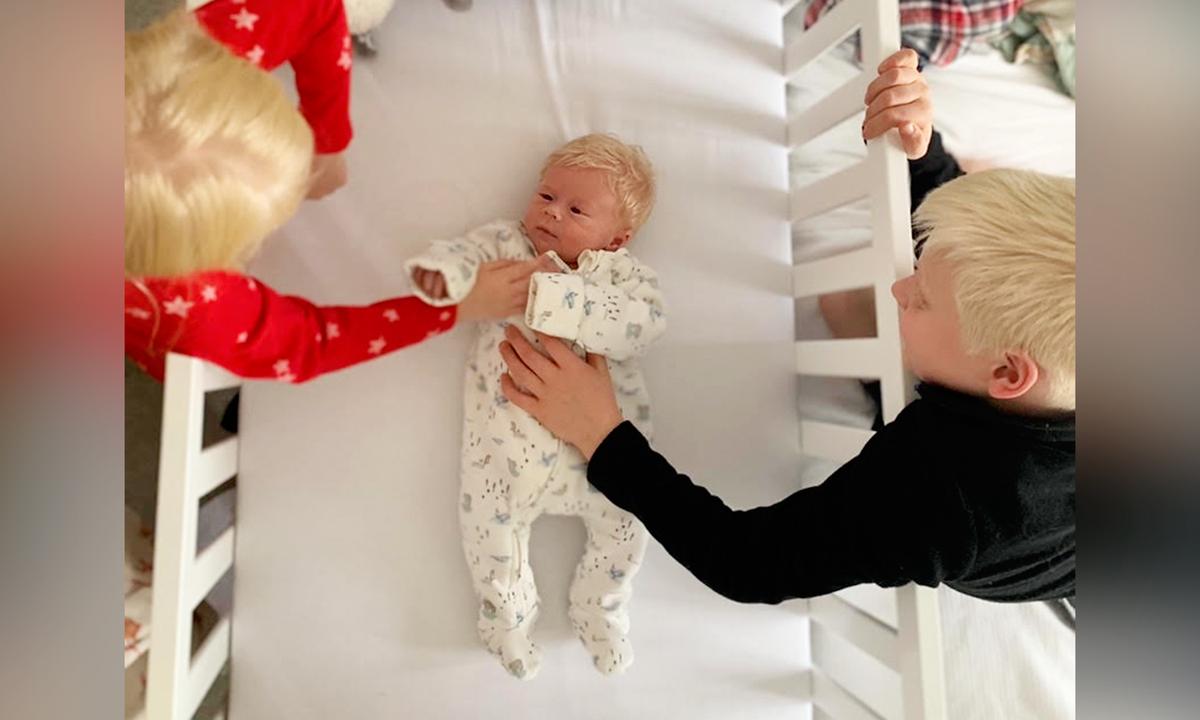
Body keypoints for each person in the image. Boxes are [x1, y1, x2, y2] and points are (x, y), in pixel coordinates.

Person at [495, 50, 1075, 606]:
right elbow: (956, 240)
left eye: (919, 297)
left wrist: (601, 433)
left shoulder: (955, 502)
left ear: (1004, 372)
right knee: (854, 307)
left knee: (855, 312)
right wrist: (922, 154)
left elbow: (747, 562)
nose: (901, 284)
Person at [404, 134, 664, 680]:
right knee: (490, 542)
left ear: (618, 238)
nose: (551, 214)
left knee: (627, 528)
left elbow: (640, 326)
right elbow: (466, 257)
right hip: (503, 455)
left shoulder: (619, 276)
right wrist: (445, 275)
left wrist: (553, 297)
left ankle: (600, 608)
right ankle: (508, 621)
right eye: (546, 196)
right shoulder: (507, 245)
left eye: (575, 209)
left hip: (602, 459)